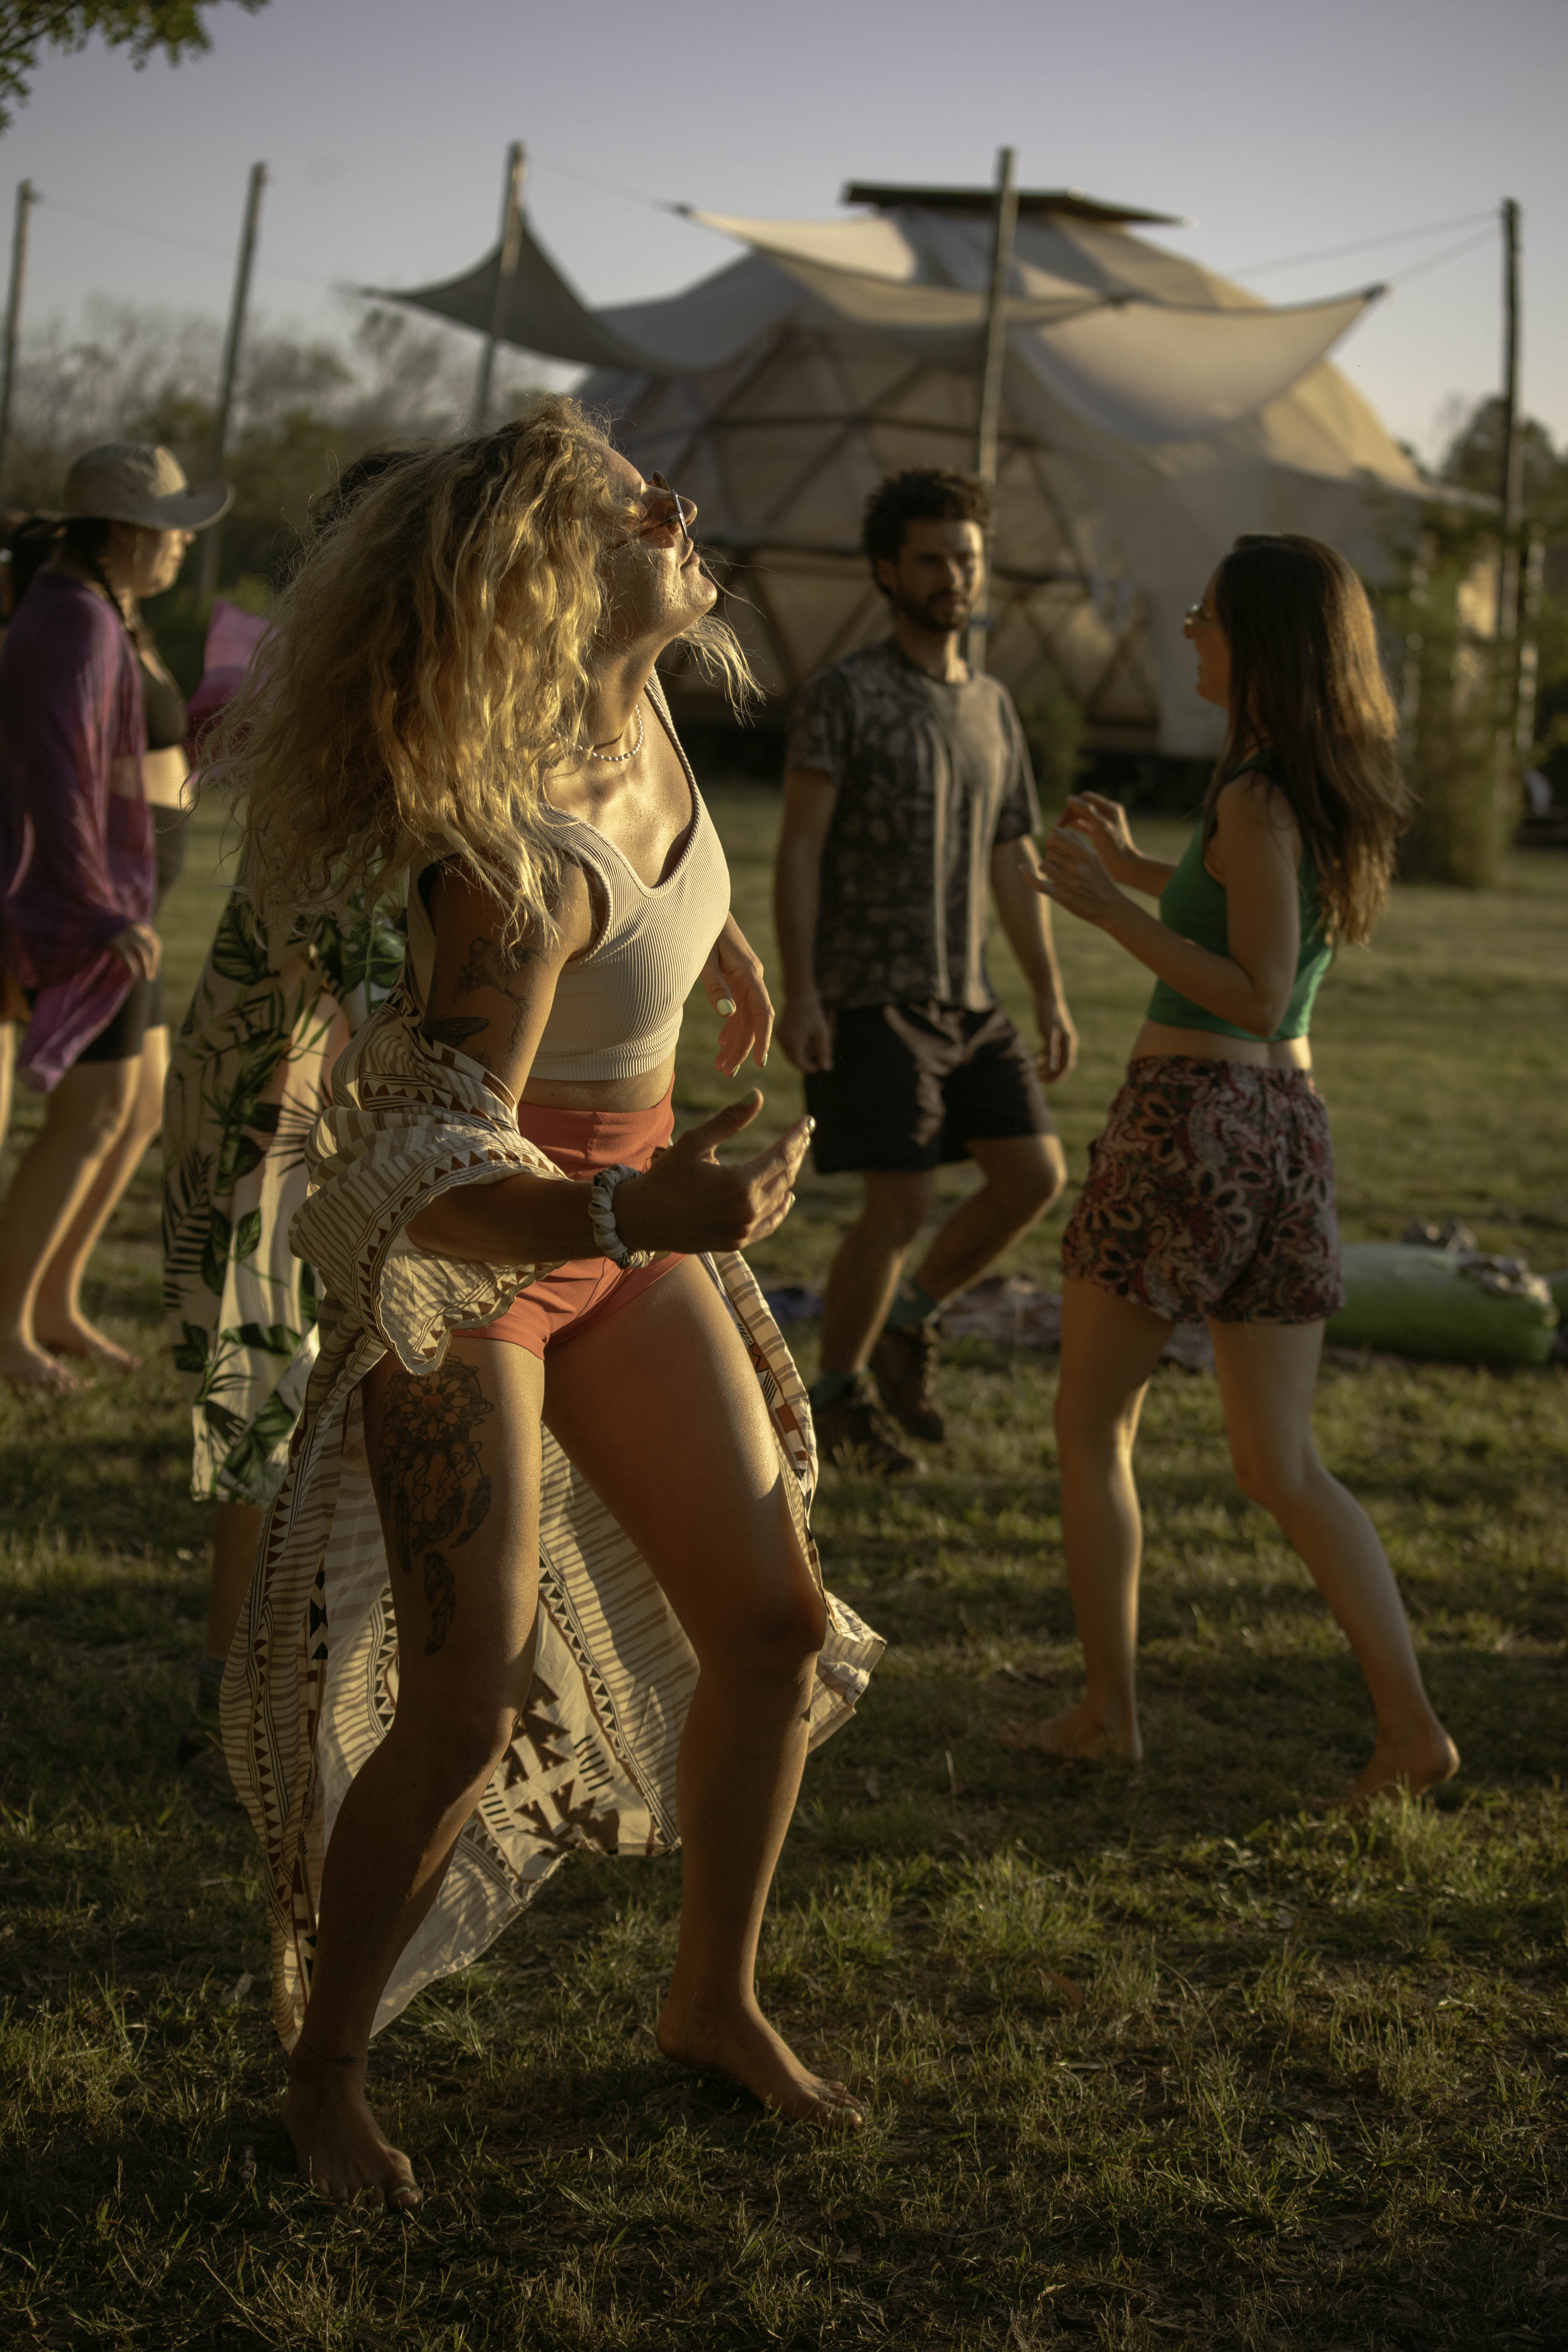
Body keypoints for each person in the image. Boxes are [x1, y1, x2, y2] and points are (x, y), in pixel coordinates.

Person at [215, 401, 883, 2210]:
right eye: (619, 504)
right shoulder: (499, 854)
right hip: (483, 1258)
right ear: (537, 576)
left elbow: (644, 901)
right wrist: (628, 1200)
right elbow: (419, 1163)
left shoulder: (637, 697)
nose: (675, 504)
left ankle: (710, 1998)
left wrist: (711, 941)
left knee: (769, 1623)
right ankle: (327, 2068)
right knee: (468, 1688)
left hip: (627, 1221)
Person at [1016, 533, 1458, 1808]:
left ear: (1262, 643)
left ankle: (1109, 1714)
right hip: (1287, 1139)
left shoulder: (1259, 791)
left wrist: (1108, 913)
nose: (1193, 635)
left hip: (1191, 1124)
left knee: (1093, 1424)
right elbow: (1252, 912)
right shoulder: (1301, 784)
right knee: (1282, 1467)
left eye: (1208, 619)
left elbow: (1255, 989)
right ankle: (1410, 1728)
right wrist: (1140, 867)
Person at [164, 454, 410, 1772]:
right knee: (271, 1398)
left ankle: (294, 1673)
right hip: (288, 1098)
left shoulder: (385, 697)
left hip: (321, 1090)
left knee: (315, 1401)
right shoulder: (360, 714)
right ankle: (237, 1700)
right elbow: (325, 933)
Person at [775, 467, 1077, 1474]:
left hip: (974, 1000)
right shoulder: (846, 694)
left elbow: (1013, 858)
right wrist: (805, 991)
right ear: (887, 571)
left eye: (969, 560)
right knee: (897, 1208)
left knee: (1036, 1175)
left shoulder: (993, 705)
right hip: (871, 994)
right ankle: (836, 1399)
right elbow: (801, 847)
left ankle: (909, 1324)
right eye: (934, 559)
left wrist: (1048, 992)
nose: (955, 577)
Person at [0, 444, 230, 1389]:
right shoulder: (74, 621)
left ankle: (55, 1304)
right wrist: (97, 909)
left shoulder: (102, 611)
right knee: (93, 1111)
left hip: (124, 900)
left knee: (136, 1107)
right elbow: (56, 782)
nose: (183, 547)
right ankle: (6, 1325)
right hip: (87, 911)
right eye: (175, 529)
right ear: (133, 533)